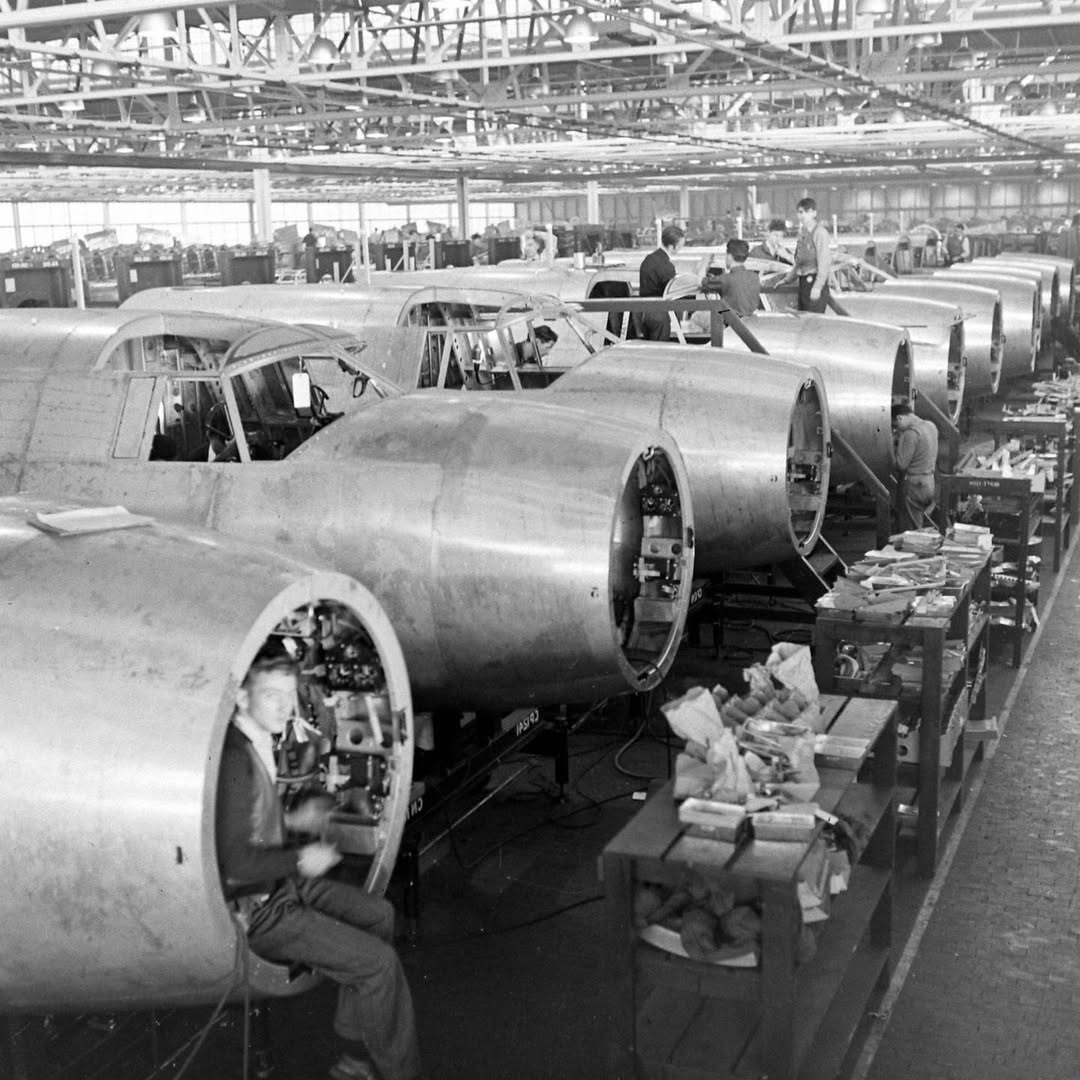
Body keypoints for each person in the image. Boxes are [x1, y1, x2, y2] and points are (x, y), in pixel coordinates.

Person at [216, 644, 423, 1080]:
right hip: (262, 909)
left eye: (289, 696)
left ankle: (353, 1054)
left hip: (281, 886)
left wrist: (292, 818)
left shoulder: (253, 740)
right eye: (271, 695)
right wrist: (300, 856)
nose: (285, 707)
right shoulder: (237, 760)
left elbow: (247, 826)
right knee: (381, 966)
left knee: (379, 915)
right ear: (241, 696)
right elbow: (234, 866)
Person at [892, 403, 939, 533]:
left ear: (900, 418)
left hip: (914, 486)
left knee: (910, 533)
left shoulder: (910, 434)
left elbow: (901, 465)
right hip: (929, 483)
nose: (897, 430)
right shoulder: (931, 426)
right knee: (917, 524)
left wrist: (892, 448)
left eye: (895, 426)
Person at [779, 198, 832, 313]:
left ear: (814, 213)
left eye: (806, 212)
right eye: (800, 212)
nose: (802, 215)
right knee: (803, 321)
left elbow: (824, 262)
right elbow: (799, 262)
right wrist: (787, 280)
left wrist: (817, 287)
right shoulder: (802, 234)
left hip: (814, 282)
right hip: (803, 283)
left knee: (813, 322)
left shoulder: (820, 233)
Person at [638, 224, 685, 340]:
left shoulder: (649, 259)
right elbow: (673, 290)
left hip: (643, 312)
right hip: (659, 314)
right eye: (679, 246)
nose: (680, 249)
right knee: (660, 349)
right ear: (671, 246)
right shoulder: (666, 266)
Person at [710, 238, 761, 318]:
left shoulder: (726, 279)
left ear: (729, 256)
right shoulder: (755, 277)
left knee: (701, 315)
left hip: (730, 321)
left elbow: (700, 282)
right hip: (749, 319)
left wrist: (706, 261)